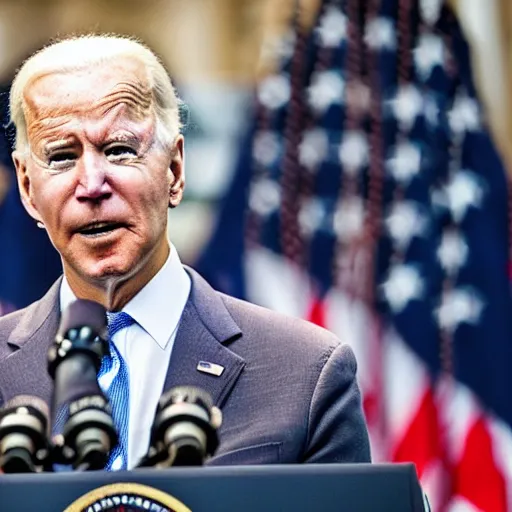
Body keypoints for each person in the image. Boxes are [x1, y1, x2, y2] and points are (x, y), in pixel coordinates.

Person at [0, 34, 371, 470]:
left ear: (175, 171)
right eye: (62, 157)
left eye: (118, 150)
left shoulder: (307, 373)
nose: (92, 185)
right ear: (27, 188)